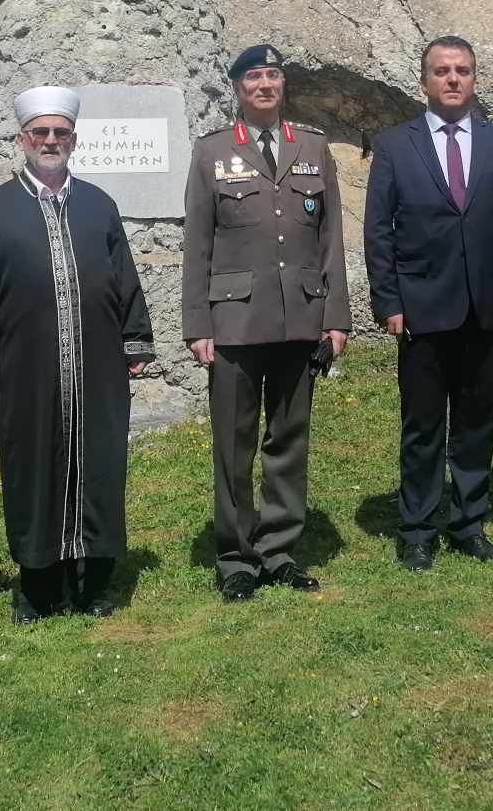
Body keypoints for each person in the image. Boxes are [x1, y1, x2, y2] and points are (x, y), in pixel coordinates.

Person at [0, 87, 154, 622]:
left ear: (74, 138)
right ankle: (39, 585)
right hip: (29, 369)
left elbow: (124, 277)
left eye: (61, 133)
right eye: (41, 133)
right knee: (32, 467)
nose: (51, 141)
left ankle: (96, 583)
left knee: (99, 464)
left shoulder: (99, 204)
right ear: (23, 139)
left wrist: (135, 338)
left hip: (98, 366)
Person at [181, 45, 350, 601]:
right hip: (233, 322)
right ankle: (235, 558)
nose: (265, 84)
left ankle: (279, 551)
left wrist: (336, 315)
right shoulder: (211, 154)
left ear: (283, 87)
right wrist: (197, 324)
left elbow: (330, 241)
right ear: (236, 87)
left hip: (299, 318)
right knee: (233, 445)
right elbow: (197, 244)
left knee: (289, 440)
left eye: (273, 76)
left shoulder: (313, 148)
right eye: (254, 76)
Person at [363, 36, 493, 571]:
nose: (453, 79)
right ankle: (417, 529)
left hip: (485, 307)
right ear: (424, 81)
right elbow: (378, 231)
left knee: (477, 422)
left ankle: (470, 524)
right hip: (422, 307)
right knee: (424, 425)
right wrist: (388, 299)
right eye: (442, 71)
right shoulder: (394, 144)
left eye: (463, 71)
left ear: (475, 79)